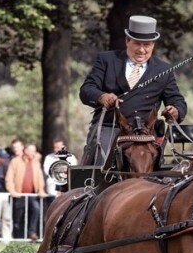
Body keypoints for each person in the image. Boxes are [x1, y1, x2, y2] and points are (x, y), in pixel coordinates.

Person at [79, 15, 187, 166]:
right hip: (109, 128)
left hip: (144, 135)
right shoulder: (107, 60)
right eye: (137, 44)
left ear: (153, 45)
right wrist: (102, 96)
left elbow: (178, 101)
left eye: (147, 45)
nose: (142, 50)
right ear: (127, 41)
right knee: (99, 166)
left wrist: (175, 110)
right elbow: (86, 90)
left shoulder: (163, 70)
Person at [5, 143, 46, 240]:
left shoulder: (36, 163)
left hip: (32, 195)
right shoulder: (15, 162)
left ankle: (31, 232)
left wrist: (41, 190)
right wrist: (12, 191)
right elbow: (9, 178)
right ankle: (18, 237)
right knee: (18, 217)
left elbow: (39, 178)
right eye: (32, 151)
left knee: (36, 209)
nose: (34, 153)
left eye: (35, 151)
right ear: (26, 151)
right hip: (19, 195)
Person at [43, 138, 78, 210]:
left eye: (58, 147)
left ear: (64, 146)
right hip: (53, 190)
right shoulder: (49, 158)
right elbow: (48, 171)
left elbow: (73, 172)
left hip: (67, 189)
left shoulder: (71, 158)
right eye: (55, 147)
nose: (57, 149)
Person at [0, 148, 12, 241]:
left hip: (5, 194)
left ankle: (6, 239)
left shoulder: (7, 167)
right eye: (2, 158)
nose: (5, 159)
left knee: (6, 218)